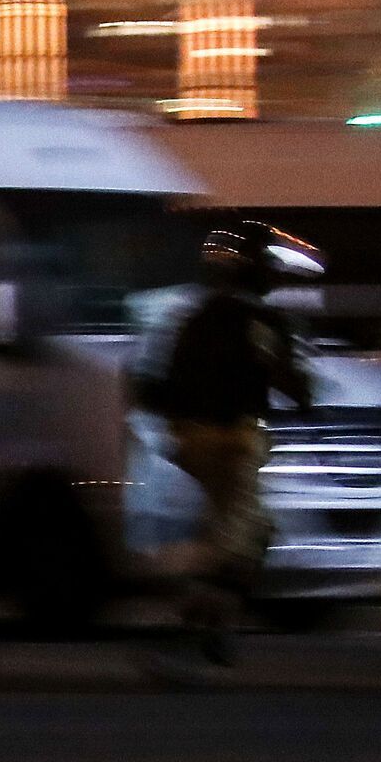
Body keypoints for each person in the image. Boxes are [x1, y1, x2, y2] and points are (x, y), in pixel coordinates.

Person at [133, 221, 319, 671]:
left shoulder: (191, 317)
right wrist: (302, 389)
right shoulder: (261, 320)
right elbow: (292, 384)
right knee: (234, 543)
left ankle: (216, 630)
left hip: (188, 439)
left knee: (252, 533)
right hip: (233, 442)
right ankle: (186, 640)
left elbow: (151, 383)